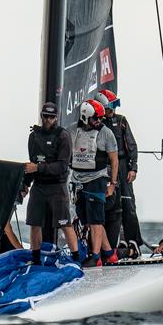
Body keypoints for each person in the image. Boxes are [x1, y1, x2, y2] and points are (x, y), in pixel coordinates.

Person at [22, 102, 79, 265]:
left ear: (56, 118)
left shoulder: (63, 136)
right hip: (39, 186)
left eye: (51, 117)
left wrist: (37, 168)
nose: (48, 120)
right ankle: (35, 258)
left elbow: (62, 166)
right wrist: (25, 184)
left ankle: (76, 258)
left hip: (57, 186)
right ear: (41, 116)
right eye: (45, 116)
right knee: (34, 222)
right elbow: (32, 164)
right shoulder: (34, 136)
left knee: (64, 223)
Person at [67, 99, 119, 267]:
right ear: (85, 117)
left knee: (96, 220)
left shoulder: (106, 133)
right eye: (95, 118)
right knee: (87, 219)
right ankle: (109, 253)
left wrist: (112, 183)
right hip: (78, 179)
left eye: (100, 118)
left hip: (98, 178)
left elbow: (114, 159)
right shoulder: (72, 130)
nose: (99, 122)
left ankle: (96, 257)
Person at [96, 89, 143, 255]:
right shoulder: (97, 124)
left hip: (122, 167)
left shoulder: (121, 121)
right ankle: (111, 243)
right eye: (109, 107)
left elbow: (131, 145)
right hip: (104, 168)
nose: (112, 110)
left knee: (128, 204)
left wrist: (133, 167)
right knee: (109, 206)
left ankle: (133, 241)